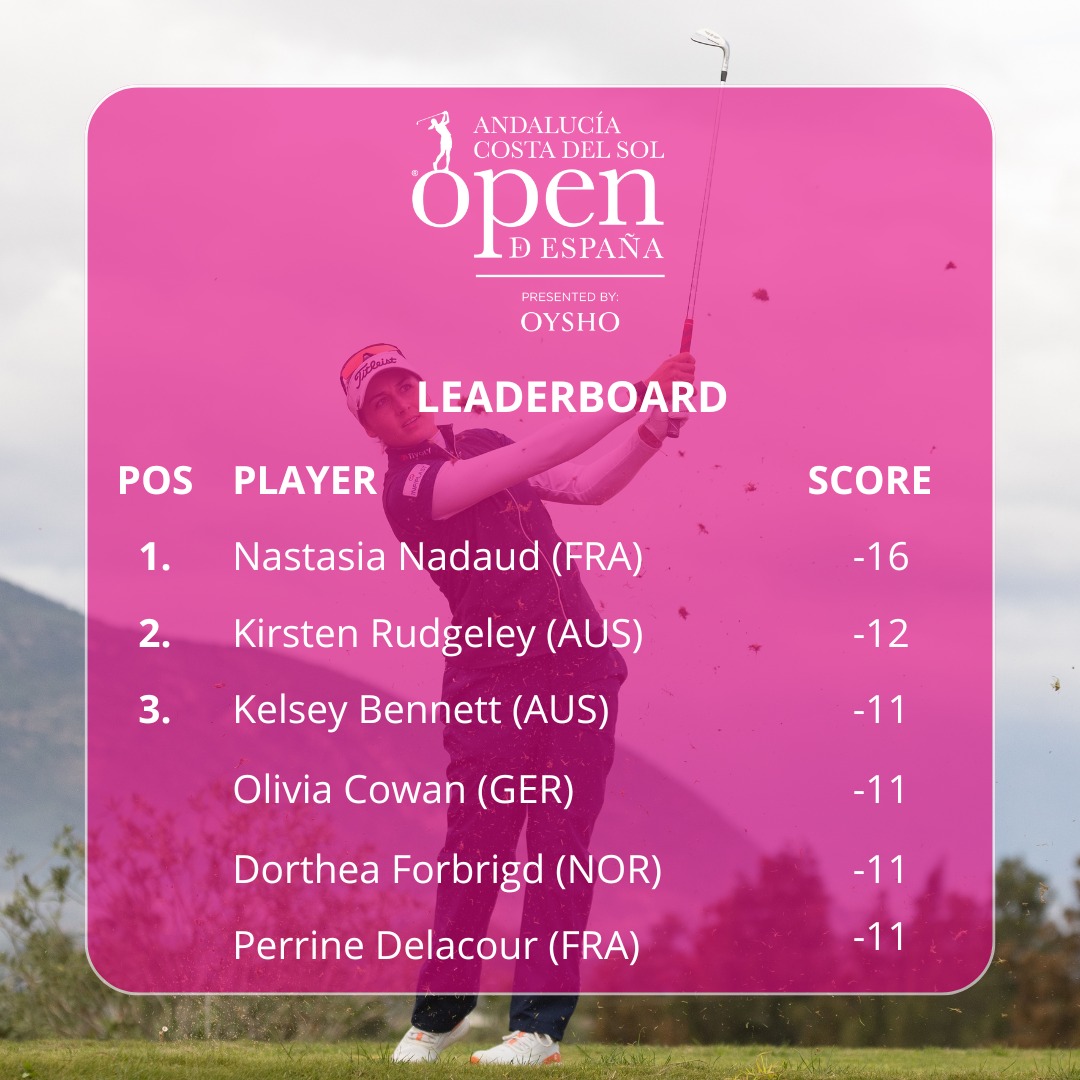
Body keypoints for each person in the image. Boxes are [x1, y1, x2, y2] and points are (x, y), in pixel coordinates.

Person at [339, 343, 695, 1065]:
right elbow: (537, 452)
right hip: (490, 683)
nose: (401, 405)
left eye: (404, 387)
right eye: (380, 402)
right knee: (476, 850)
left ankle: (537, 1031)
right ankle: (439, 1019)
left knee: (561, 849)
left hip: (578, 669)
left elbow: (587, 486)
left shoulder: (481, 442)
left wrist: (653, 428)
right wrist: (638, 390)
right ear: (368, 426)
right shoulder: (410, 488)